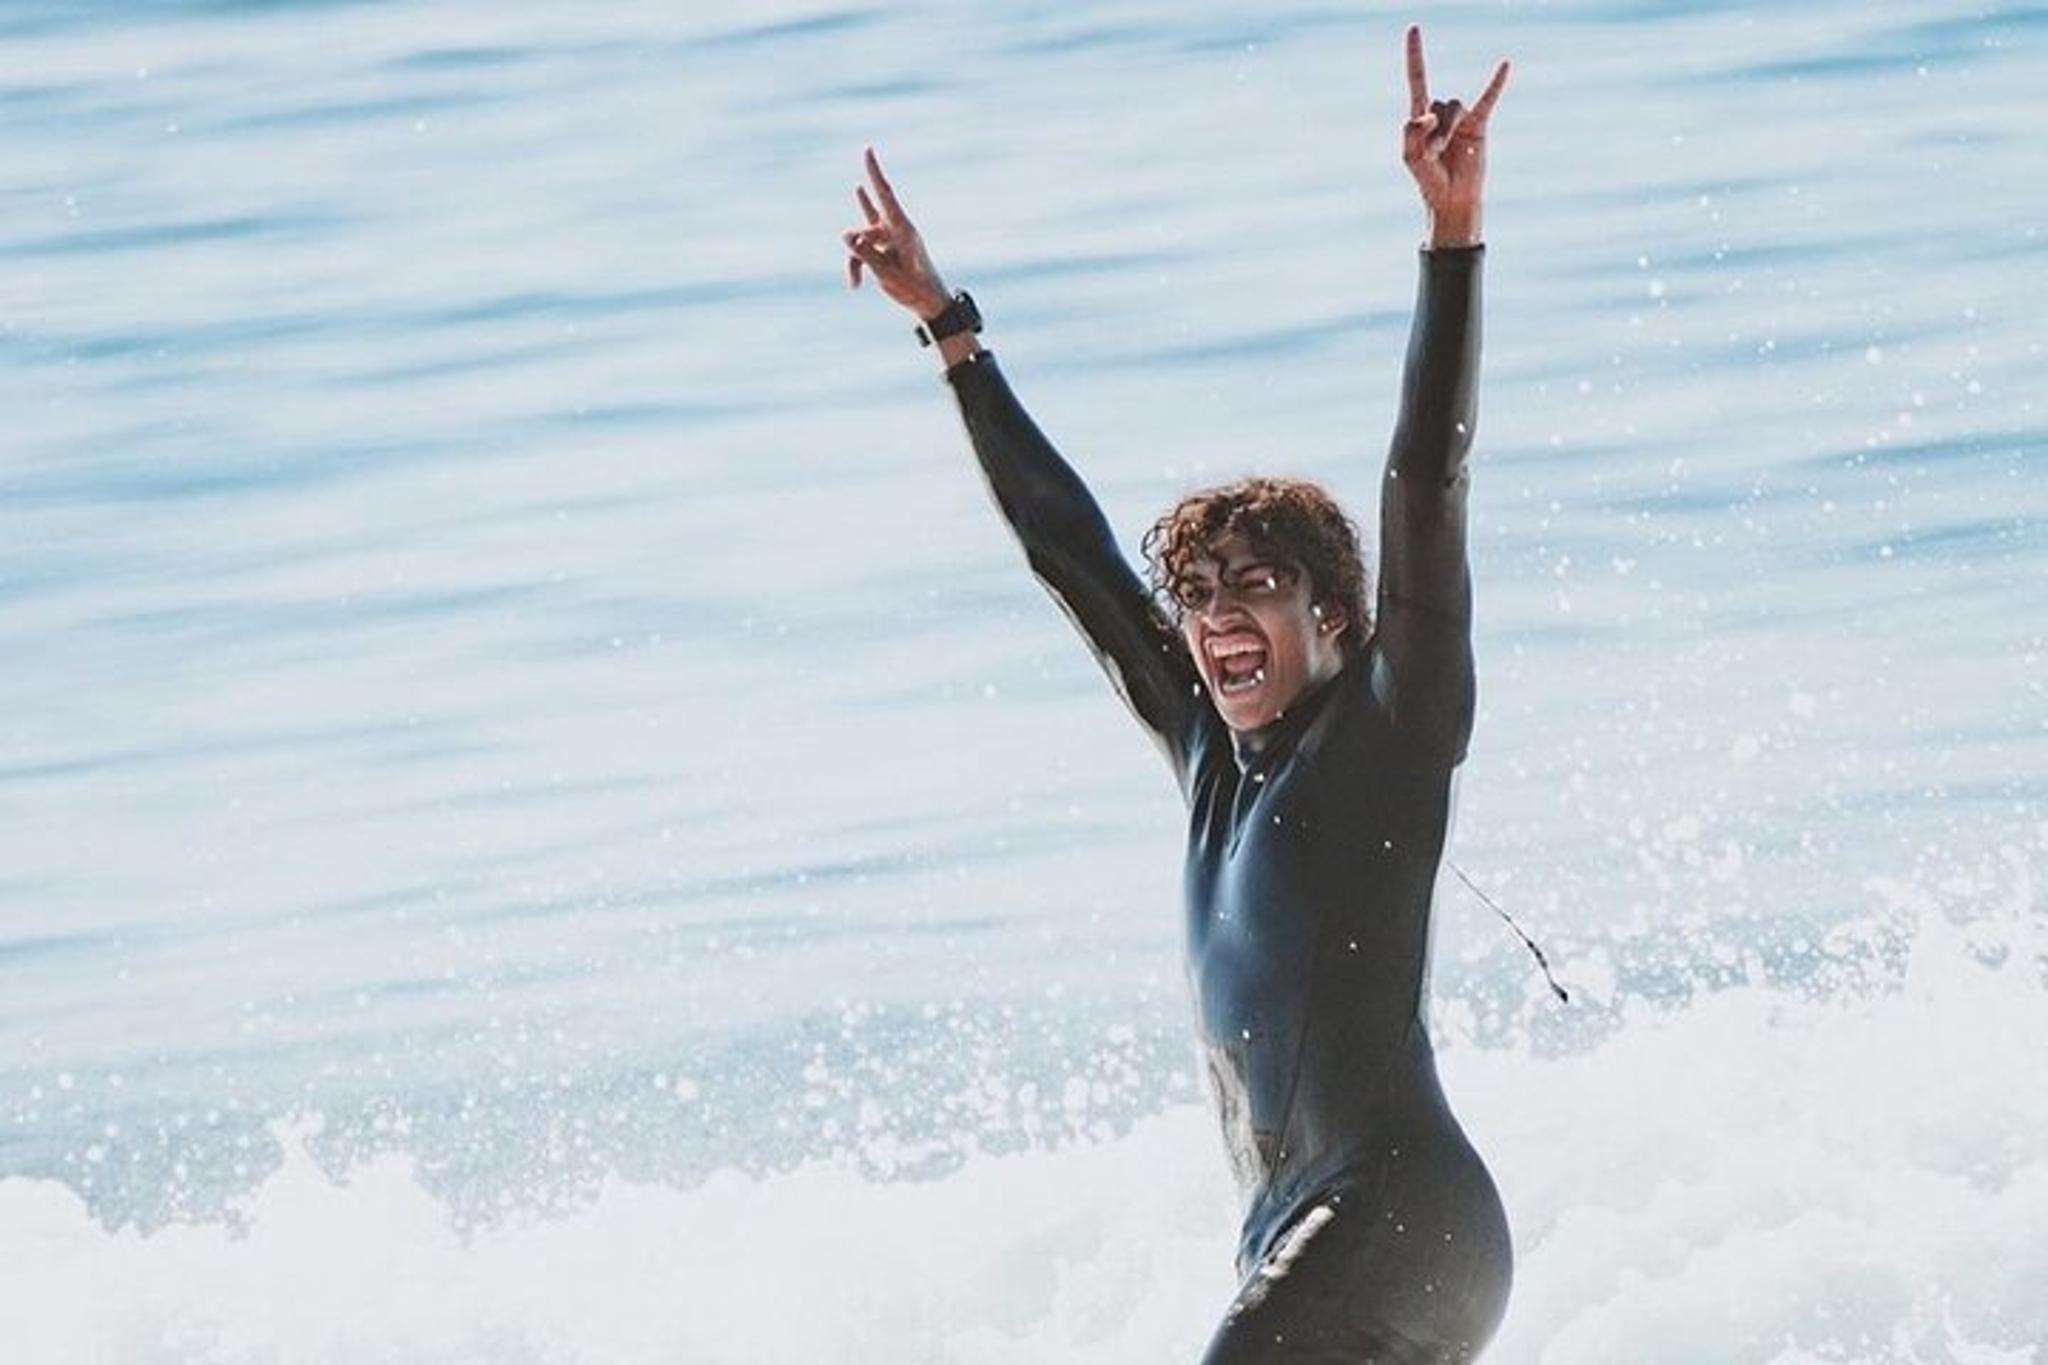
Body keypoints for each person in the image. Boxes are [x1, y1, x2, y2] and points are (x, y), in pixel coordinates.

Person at [843, 24, 1514, 1363]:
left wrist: (1451, 243)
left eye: (1250, 587)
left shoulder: (1391, 727)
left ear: (1330, 613)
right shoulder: (1213, 762)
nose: (1214, 622)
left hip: (1398, 1214)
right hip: (1294, 1232)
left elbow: (1424, 489)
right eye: (1199, 599)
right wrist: (949, 329)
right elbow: (1073, 561)